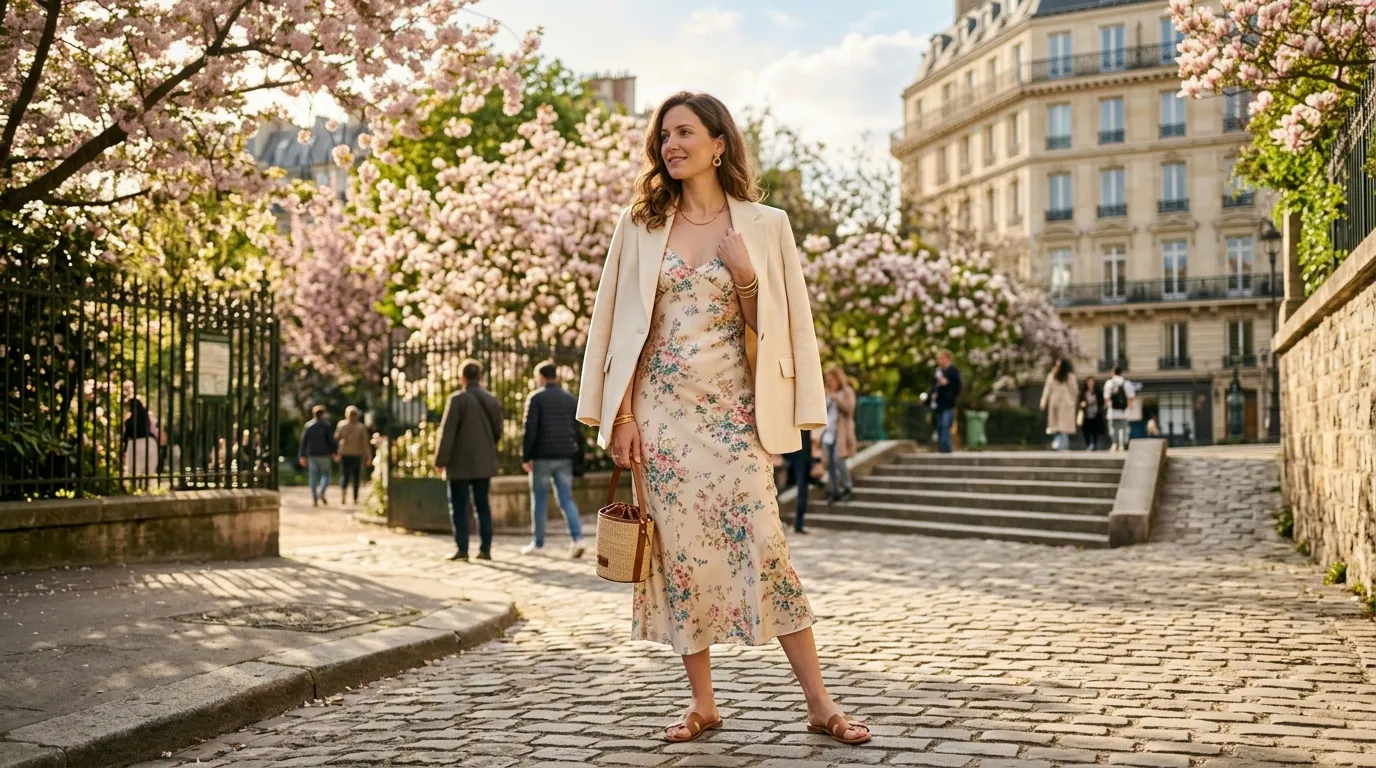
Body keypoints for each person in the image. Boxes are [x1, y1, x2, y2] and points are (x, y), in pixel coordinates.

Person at [575, 91, 870, 747]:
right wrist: (622, 416)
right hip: (661, 418)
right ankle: (703, 704)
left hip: (736, 417)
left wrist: (745, 277)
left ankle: (820, 703)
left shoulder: (766, 225)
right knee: (679, 558)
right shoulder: (641, 224)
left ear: (718, 143)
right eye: (664, 137)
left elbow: (782, 331)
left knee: (767, 546)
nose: (671, 145)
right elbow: (626, 329)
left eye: (685, 133)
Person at [434, 359, 503, 562]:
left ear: (462, 378)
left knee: (459, 506)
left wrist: (440, 460)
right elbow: (498, 431)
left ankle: (462, 549)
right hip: (484, 462)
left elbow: (447, 433)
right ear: (480, 377)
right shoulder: (491, 400)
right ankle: (485, 549)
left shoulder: (457, 400)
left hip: (459, 463)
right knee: (482, 506)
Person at [520, 361, 587, 559]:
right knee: (566, 499)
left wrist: (526, 456)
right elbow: (578, 432)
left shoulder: (536, 398)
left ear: (541, 377)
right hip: (565, 456)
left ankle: (538, 544)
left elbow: (529, 430)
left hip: (542, 457)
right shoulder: (569, 399)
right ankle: (578, 539)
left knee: (539, 501)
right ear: (555, 376)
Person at [821, 365, 856, 502]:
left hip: (840, 432)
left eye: (832, 379)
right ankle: (834, 490)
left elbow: (850, 409)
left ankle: (847, 487)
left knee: (838, 459)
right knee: (829, 462)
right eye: (828, 380)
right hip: (827, 433)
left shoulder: (847, 392)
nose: (830, 382)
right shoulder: (826, 393)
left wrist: (836, 398)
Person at [298, 405, 336, 506]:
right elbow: (331, 441)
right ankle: (322, 492)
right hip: (324, 455)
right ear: (323, 414)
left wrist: (302, 455)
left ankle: (315, 498)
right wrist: (335, 452)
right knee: (326, 475)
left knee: (313, 477)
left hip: (312, 455)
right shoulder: (326, 425)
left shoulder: (308, 426)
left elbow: (303, 442)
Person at [334, 406, 372, 504]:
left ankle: (343, 491)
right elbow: (365, 443)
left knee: (345, 475)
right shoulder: (361, 427)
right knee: (356, 476)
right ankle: (355, 498)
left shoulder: (341, 424)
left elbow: (337, 437)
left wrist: (337, 452)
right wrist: (368, 456)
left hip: (344, 453)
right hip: (356, 454)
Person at [1040, 359, 1079, 451]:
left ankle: (1062, 445)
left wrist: (1072, 401)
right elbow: (1047, 389)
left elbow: (1074, 390)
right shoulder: (1051, 376)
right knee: (1055, 426)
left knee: (1063, 426)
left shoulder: (1070, 377)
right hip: (1055, 402)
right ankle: (1059, 444)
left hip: (1066, 403)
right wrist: (1044, 400)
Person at [931, 349, 962, 454]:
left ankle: (946, 448)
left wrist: (947, 384)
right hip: (938, 403)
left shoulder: (953, 371)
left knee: (945, 425)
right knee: (939, 425)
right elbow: (933, 386)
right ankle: (942, 447)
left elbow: (958, 388)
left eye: (942, 358)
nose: (940, 361)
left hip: (948, 403)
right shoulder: (938, 371)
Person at [782, 430, 813, 533]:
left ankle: (798, 523)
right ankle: (799, 524)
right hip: (801, 453)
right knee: (802, 488)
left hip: (790, 450)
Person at [122, 397, 157, 487]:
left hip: (135, 445)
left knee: (136, 470)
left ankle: (136, 487)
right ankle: (146, 486)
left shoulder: (129, 421)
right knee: (147, 469)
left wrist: (124, 449)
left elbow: (126, 436)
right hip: (149, 443)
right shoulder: (145, 416)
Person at [1103, 365, 1136, 452]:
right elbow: (1131, 397)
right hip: (1124, 411)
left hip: (1112, 411)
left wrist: (1106, 406)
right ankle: (1122, 445)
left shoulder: (1109, 383)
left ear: (1113, 372)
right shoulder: (1126, 383)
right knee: (1124, 429)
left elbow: (1106, 398)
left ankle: (1114, 444)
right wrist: (1131, 408)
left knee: (1113, 429)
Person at [1079, 376, 1106, 451]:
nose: (1090, 383)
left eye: (1092, 382)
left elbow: (1102, 401)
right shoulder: (1083, 392)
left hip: (1096, 414)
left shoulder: (1097, 391)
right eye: (1089, 382)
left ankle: (1094, 444)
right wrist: (1083, 404)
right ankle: (1088, 444)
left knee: (1095, 431)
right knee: (1086, 431)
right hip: (1086, 415)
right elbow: (1079, 401)